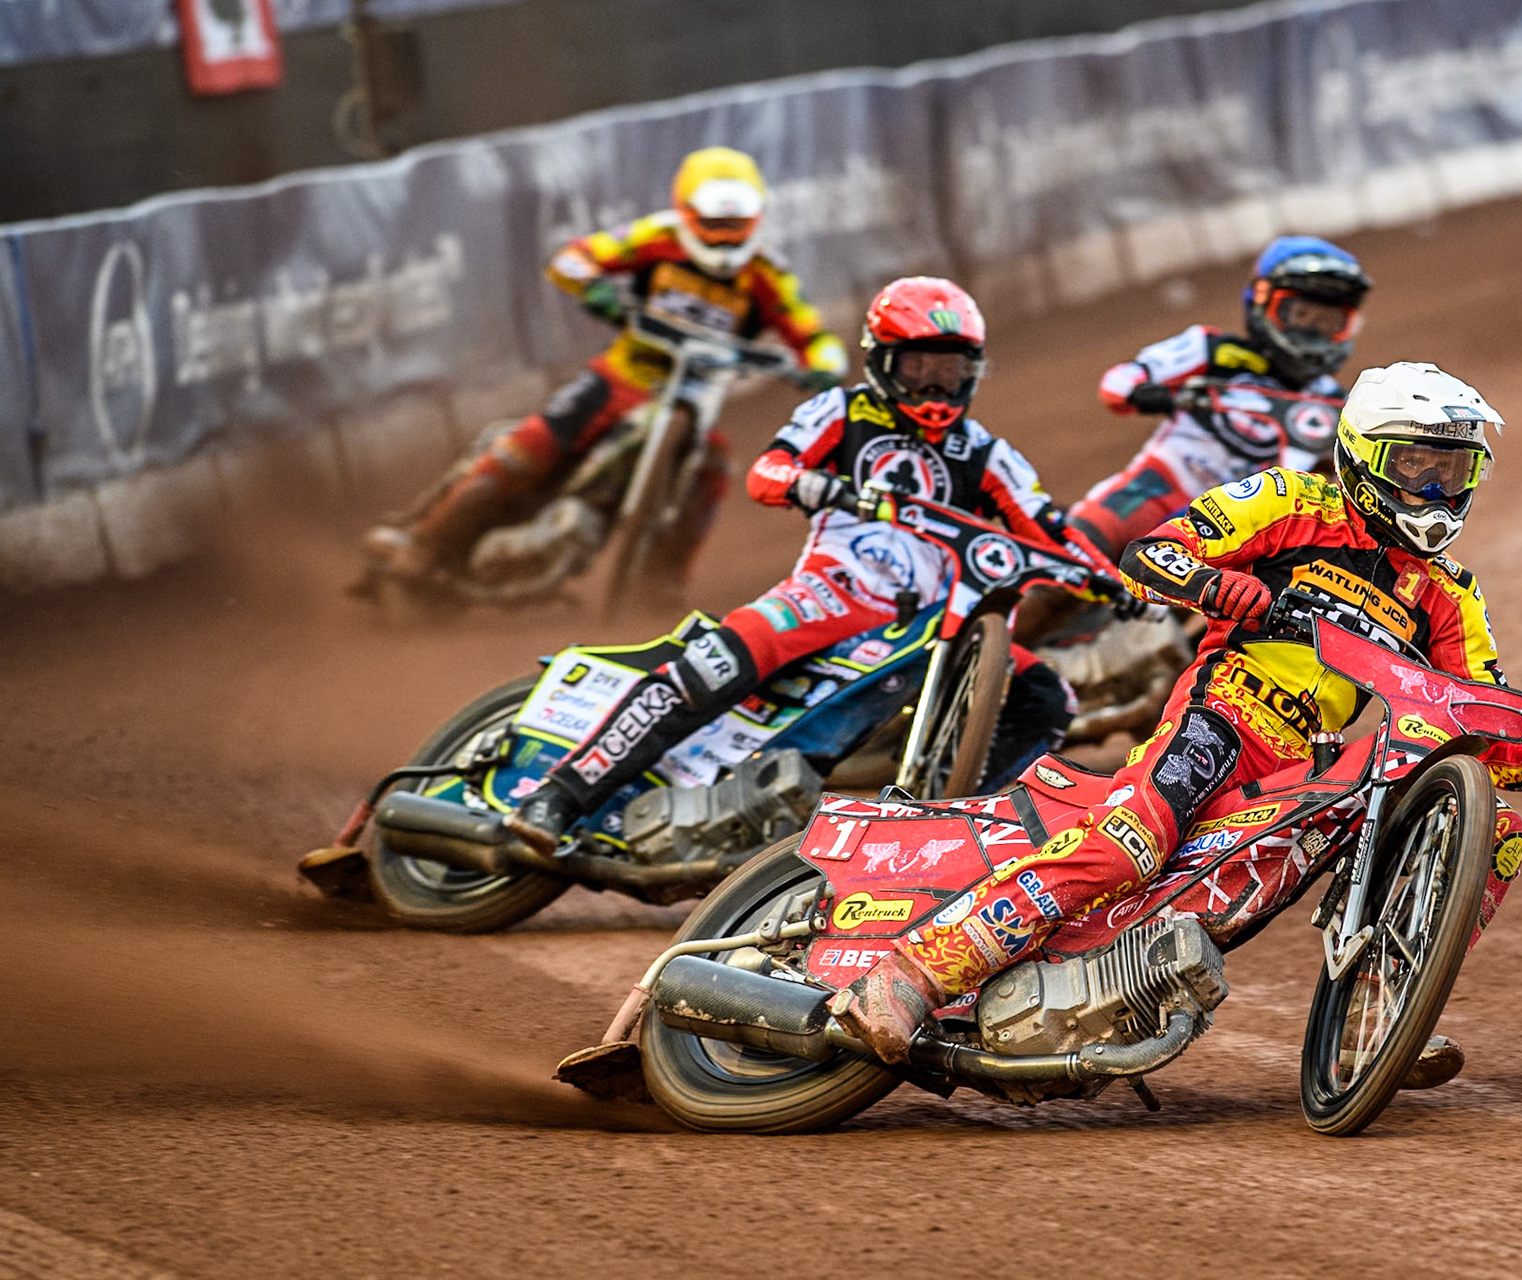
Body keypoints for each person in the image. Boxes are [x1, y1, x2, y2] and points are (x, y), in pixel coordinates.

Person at [834, 361, 1522, 1087]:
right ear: (1365, 459)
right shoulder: (1290, 502)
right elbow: (1154, 554)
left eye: (1454, 470)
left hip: (1309, 765)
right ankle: (913, 973)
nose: (1438, 490)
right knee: (1131, 839)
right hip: (1223, 714)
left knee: (1496, 831)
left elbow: (1475, 717)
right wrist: (1224, 590)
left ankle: (1375, 1020)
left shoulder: (1450, 595)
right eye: (1417, 467)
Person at [503, 277, 1116, 852]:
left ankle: (955, 844)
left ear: (973, 372)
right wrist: (817, 486)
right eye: (918, 368)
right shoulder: (841, 412)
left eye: (949, 371)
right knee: (714, 664)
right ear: (881, 361)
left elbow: (1050, 527)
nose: (935, 387)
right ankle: (558, 795)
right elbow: (766, 472)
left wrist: (1118, 583)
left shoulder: (986, 453)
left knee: (1046, 697)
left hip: (930, 628)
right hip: (832, 593)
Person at [364, 146, 848, 582]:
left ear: (756, 220)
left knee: (715, 468)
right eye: (712, 225)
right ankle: (425, 544)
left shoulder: (767, 275)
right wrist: (593, 285)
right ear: (686, 213)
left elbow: (813, 333)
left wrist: (824, 367)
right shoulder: (657, 237)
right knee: (528, 447)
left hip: (694, 402)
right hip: (620, 379)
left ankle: (662, 581)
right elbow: (574, 257)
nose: (723, 240)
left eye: (735, 227)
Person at [1069, 236, 1372, 561]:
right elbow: (1117, 384)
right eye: (1303, 315)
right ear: (1263, 301)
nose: (1314, 332)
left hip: (1237, 523)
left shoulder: (1336, 403)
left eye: (1329, 322)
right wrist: (1146, 392)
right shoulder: (1211, 350)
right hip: (1156, 487)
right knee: (1072, 557)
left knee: (1245, 597)